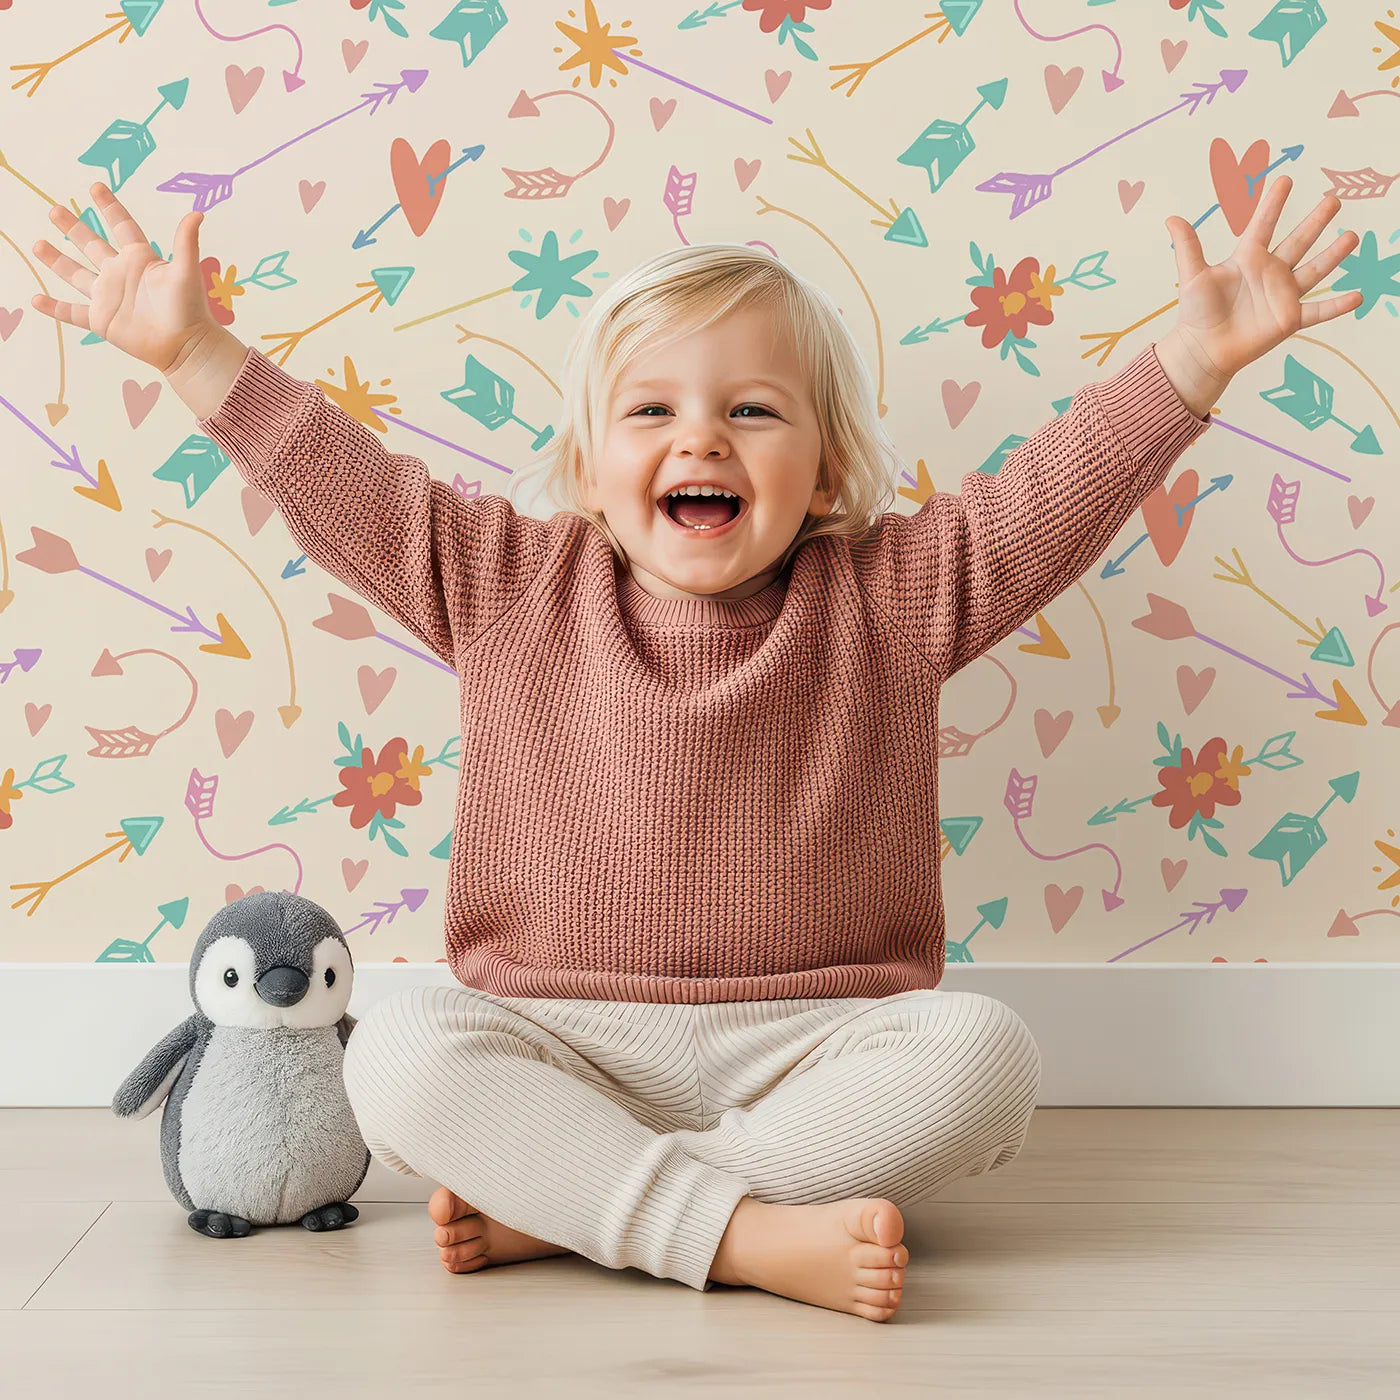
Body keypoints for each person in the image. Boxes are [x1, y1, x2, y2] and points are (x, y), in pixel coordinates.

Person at [30, 178, 1360, 1322]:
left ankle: (585, 1210)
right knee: (395, 1055)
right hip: (553, 1037)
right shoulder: (502, 581)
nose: (701, 438)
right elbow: (341, 481)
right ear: (587, 467)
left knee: (987, 1055)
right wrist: (193, 350)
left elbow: (1052, 493)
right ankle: (744, 1234)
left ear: (828, 468)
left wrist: (1190, 366)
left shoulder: (895, 595)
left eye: (755, 412)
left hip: (814, 1048)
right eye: (651, 411)